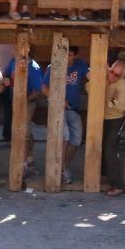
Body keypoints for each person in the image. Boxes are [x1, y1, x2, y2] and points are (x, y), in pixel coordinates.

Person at [41, 47, 90, 184]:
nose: (66, 57)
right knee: (65, 137)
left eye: (69, 55)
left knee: (76, 140)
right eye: (65, 54)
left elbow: (91, 77)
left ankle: (64, 167)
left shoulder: (80, 65)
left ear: (75, 55)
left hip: (74, 109)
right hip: (58, 109)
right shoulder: (53, 66)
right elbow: (44, 88)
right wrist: (58, 99)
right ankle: (61, 170)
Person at [4, 50, 44, 177]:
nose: (13, 50)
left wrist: (24, 101)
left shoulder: (34, 68)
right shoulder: (13, 61)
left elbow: (37, 91)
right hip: (15, 100)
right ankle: (28, 157)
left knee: (24, 131)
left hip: (28, 101)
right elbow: (6, 74)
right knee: (20, 129)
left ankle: (24, 163)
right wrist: (7, 80)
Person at [102, 59, 125, 196]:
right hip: (103, 118)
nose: (112, 76)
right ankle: (106, 177)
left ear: (122, 76)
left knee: (110, 150)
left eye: (116, 75)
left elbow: (121, 107)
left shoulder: (122, 85)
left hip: (115, 120)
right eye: (111, 72)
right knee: (103, 148)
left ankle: (118, 185)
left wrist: (110, 100)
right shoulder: (105, 78)